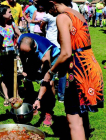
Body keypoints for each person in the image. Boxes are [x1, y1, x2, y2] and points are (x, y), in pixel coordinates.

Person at [33, 0, 104, 140]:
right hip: (90, 66)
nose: (47, 12)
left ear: (53, 2)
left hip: (78, 71)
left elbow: (66, 52)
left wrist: (50, 72)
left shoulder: (62, 17)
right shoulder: (78, 14)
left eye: (46, 8)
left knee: (73, 120)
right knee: (81, 112)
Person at [18, 33, 60, 126]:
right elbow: (22, 56)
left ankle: (48, 112)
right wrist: (24, 70)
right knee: (27, 77)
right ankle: (31, 104)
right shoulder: (21, 40)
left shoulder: (45, 53)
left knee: (49, 83)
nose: (25, 55)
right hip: (34, 54)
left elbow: (46, 78)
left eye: (27, 53)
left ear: (34, 46)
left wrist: (39, 98)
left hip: (53, 57)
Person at [0, 5, 21, 106]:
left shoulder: (12, 24)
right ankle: (7, 97)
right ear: (3, 14)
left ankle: (17, 95)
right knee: (4, 76)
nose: (11, 14)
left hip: (12, 54)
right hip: (1, 55)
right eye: (9, 12)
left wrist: (18, 43)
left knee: (14, 74)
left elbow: (19, 35)